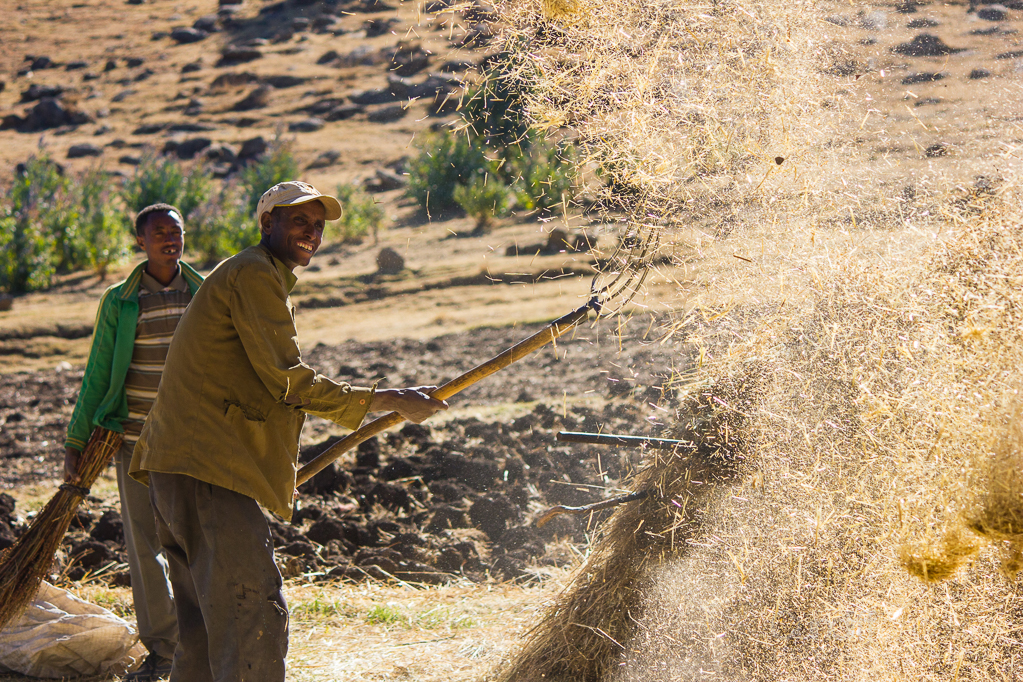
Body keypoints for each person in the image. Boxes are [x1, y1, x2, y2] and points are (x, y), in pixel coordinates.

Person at [129, 181, 448, 682]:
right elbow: (288, 382)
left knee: (205, 631)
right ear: (267, 223)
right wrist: (388, 399)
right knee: (251, 613)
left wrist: (272, 468)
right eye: (299, 220)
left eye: (318, 225)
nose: (312, 233)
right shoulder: (255, 273)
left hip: (181, 468)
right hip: (205, 473)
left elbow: (258, 388)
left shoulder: (252, 274)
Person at [65, 203, 203, 682]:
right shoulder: (120, 301)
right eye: (158, 232)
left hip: (195, 441)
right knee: (146, 545)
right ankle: (164, 648)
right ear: (140, 242)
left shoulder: (205, 292)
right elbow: (98, 372)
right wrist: (76, 439)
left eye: (175, 231)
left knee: (196, 542)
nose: (169, 238)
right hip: (136, 442)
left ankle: (202, 643)